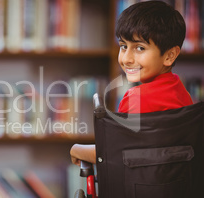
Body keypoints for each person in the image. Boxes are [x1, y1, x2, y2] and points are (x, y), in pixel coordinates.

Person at [70, 1, 193, 166]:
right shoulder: (180, 92)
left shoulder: (136, 98)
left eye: (140, 48)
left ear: (170, 55)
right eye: (123, 46)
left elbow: (112, 156)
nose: (126, 59)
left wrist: (76, 149)